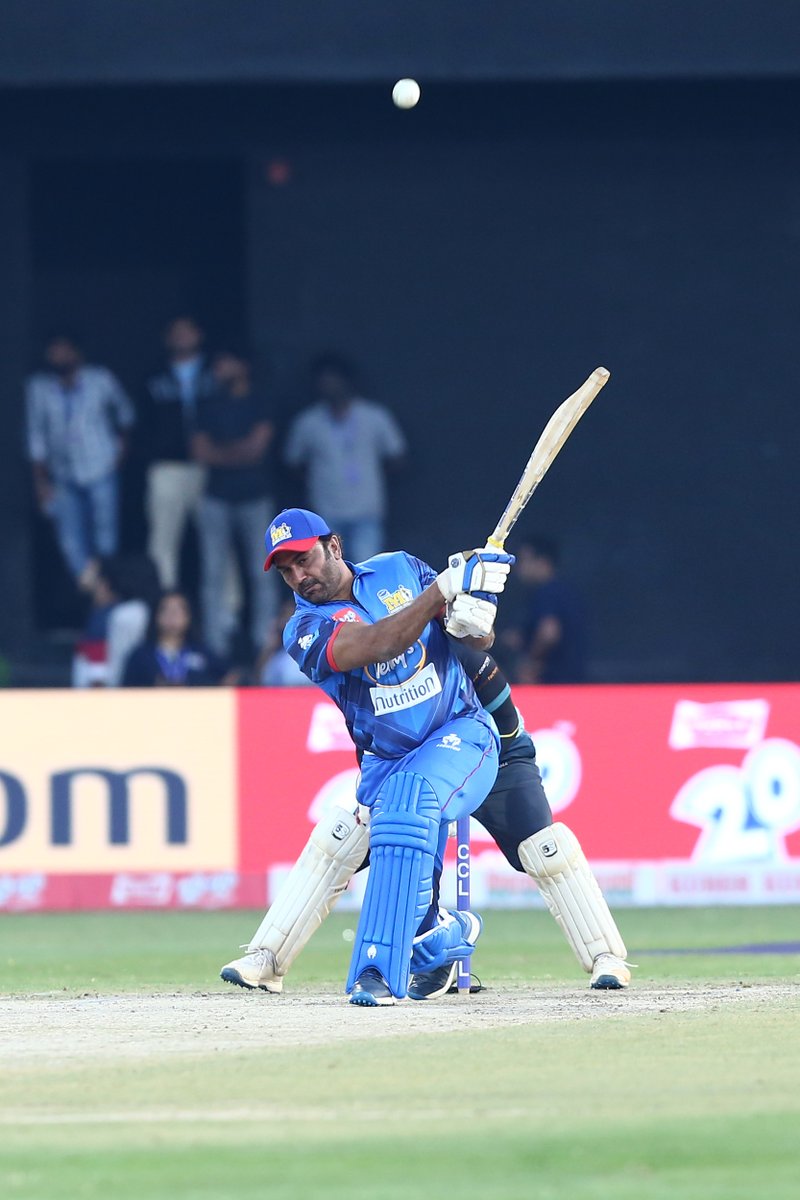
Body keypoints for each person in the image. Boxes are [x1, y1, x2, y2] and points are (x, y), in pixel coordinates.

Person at [220, 644, 630, 998]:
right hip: (412, 770)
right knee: (344, 837)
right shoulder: (357, 673)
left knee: (545, 850)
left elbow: (500, 707)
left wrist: (504, 756)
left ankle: (605, 957)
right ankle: (269, 958)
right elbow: (370, 748)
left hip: (489, 753)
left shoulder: (442, 647)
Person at [232, 507, 513, 1006]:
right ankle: (439, 940)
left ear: (334, 546)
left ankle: (377, 972)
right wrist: (440, 592)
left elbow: (473, 638)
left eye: (304, 559)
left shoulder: (399, 568)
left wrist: (477, 606)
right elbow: (378, 644)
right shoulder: (302, 630)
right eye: (286, 569)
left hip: (461, 734)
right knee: (396, 833)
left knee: (405, 805)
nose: (299, 575)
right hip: (388, 763)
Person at [26, 332, 135, 590]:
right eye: (54, 351)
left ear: (77, 353)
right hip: (61, 475)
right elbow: (35, 436)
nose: (59, 356)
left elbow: (126, 415)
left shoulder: (100, 380)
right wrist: (41, 482)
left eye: (64, 350)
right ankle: (92, 595)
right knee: (70, 543)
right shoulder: (38, 387)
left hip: (100, 469)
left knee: (105, 538)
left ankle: (108, 594)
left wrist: (119, 453)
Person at [191, 349, 276, 657]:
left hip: (255, 497)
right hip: (215, 497)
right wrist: (237, 454)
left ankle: (263, 642)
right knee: (213, 573)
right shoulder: (207, 403)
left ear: (242, 365)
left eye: (224, 361)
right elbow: (200, 451)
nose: (218, 367)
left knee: (263, 571)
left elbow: (257, 449)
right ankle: (216, 645)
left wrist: (222, 454)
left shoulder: (260, 400)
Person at [283, 354, 406, 563]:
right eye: (324, 382)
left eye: (334, 380)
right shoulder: (308, 422)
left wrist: (372, 478)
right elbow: (292, 461)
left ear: (347, 381)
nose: (330, 386)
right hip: (325, 510)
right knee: (330, 571)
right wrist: (318, 481)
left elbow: (397, 455)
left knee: (369, 568)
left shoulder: (374, 416)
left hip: (367, 508)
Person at [143, 316, 216, 588]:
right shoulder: (154, 376)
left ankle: (227, 614)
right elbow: (142, 423)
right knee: (162, 540)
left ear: (199, 334)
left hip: (211, 466)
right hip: (167, 466)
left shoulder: (216, 372)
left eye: (188, 330)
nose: (182, 336)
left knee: (217, 542)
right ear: (167, 338)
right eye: (176, 331)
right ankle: (162, 604)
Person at [512, 536, 588, 684]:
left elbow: (549, 633)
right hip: (573, 680)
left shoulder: (548, 592)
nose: (519, 567)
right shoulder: (564, 592)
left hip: (554, 683)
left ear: (542, 562)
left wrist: (530, 664)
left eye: (524, 560)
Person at [121, 590, 233, 687]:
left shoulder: (202, 653)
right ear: (156, 616)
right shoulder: (140, 656)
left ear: (188, 617)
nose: (172, 616)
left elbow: (226, 678)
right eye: (166, 610)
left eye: (178, 611)